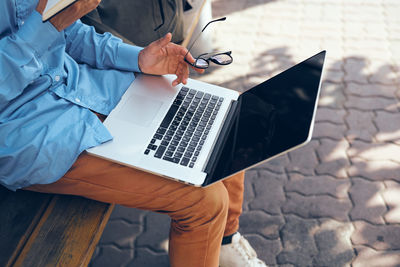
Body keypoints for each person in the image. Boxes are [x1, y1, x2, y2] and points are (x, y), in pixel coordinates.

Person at [0, 0, 267, 266]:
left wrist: (138, 58)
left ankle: (223, 245)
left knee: (226, 125)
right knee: (207, 202)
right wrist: (49, 27)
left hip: (88, 87)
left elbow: (71, 34)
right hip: (33, 134)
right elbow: (48, 31)